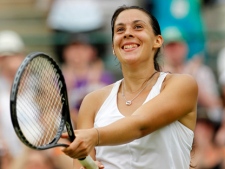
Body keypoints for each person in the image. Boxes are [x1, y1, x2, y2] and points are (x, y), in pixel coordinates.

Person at [61, 5, 198, 169]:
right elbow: (80, 165)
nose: (127, 33)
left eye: (138, 27)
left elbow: (140, 125)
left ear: (157, 41)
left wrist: (94, 136)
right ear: (113, 47)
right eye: (120, 30)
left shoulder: (182, 85)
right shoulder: (92, 101)